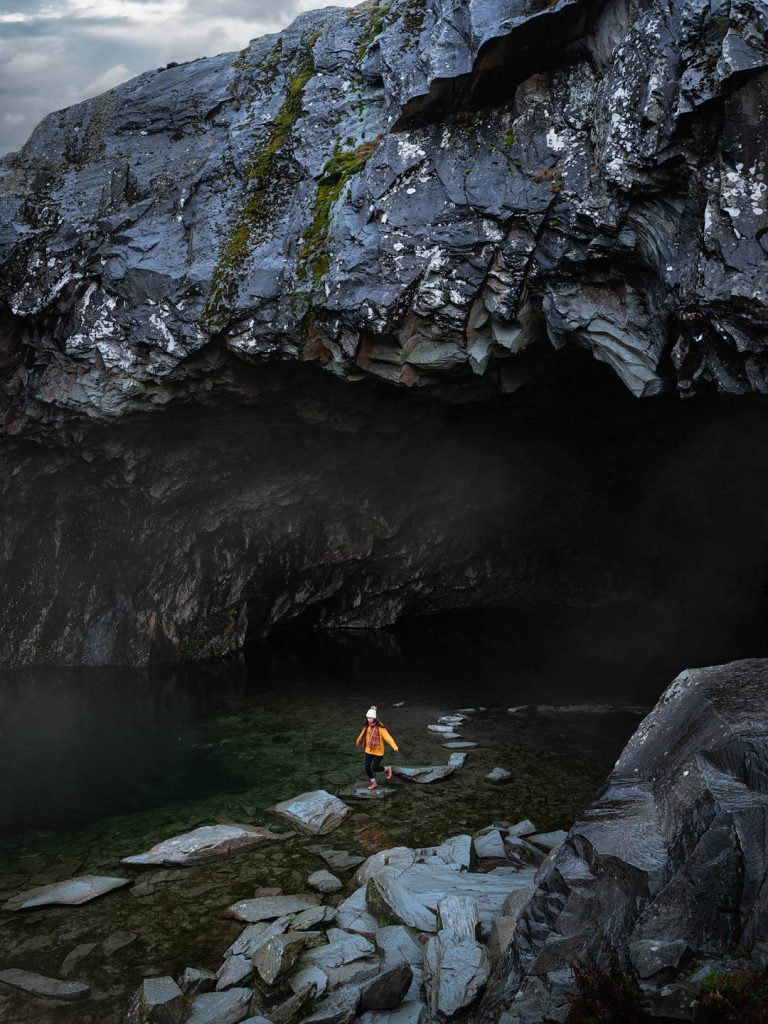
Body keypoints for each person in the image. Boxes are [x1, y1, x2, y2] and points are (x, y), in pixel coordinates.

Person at [355, 706, 398, 790]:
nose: (368, 719)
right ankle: (373, 782)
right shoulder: (367, 725)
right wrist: (358, 741)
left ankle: (387, 768)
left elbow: (388, 737)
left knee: (374, 768)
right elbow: (362, 733)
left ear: (374, 718)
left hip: (379, 751)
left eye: (370, 718)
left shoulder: (380, 727)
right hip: (369, 749)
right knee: (367, 767)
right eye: (367, 718)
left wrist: (394, 746)